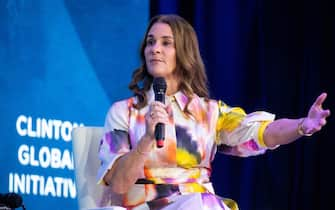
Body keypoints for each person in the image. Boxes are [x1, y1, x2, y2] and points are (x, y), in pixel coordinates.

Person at [96, 14, 331, 210]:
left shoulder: (208, 112)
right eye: (150, 42)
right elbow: (118, 184)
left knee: (201, 204)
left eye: (166, 43)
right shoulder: (124, 111)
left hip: (195, 204)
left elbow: (264, 132)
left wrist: (302, 125)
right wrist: (146, 140)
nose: (155, 49)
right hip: (141, 205)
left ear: (184, 52)